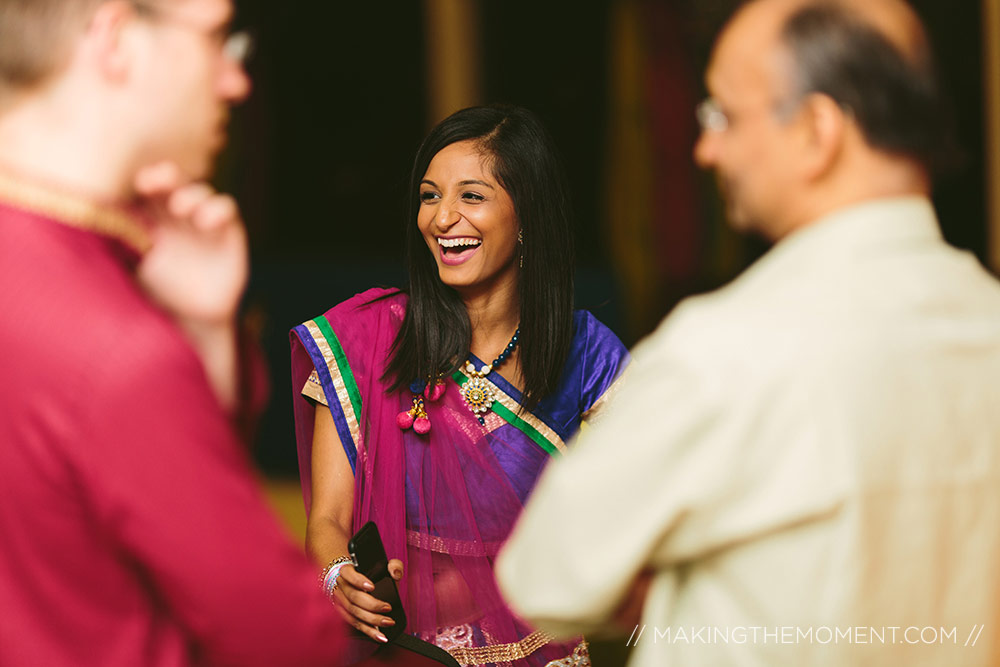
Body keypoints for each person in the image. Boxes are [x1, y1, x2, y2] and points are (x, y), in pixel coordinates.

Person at [496, 1, 1000, 665]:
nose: (706, 150)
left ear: (818, 130)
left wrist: (664, 569)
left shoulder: (727, 349)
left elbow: (545, 575)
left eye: (723, 115)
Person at [0, 1, 351, 665]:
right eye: (220, 40)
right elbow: (289, 640)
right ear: (116, 37)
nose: (235, 80)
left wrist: (205, 331)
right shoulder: (113, 349)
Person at [290, 104, 629, 666]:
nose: (443, 218)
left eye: (471, 196)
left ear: (527, 215)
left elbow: (637, 511)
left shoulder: (586, 354)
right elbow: (327, 519)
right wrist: (337, 577)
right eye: (429, 196)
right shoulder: (367, 341)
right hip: (407, 652)